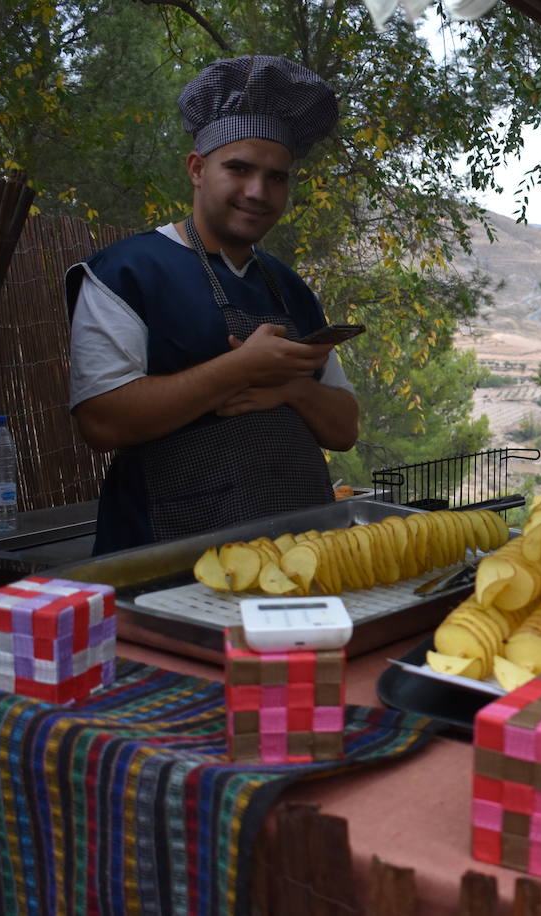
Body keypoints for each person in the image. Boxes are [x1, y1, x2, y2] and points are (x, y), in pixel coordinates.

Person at [66, 55, 359, 555]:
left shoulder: (291, 290)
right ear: (197, 169)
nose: (257, 192)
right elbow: (102, 422)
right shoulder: (127, 272)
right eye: (239, 169)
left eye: (277, 177)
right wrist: (241, 367)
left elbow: (344, 428)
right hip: (168, 565)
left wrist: (290, 389)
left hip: (298, 558)